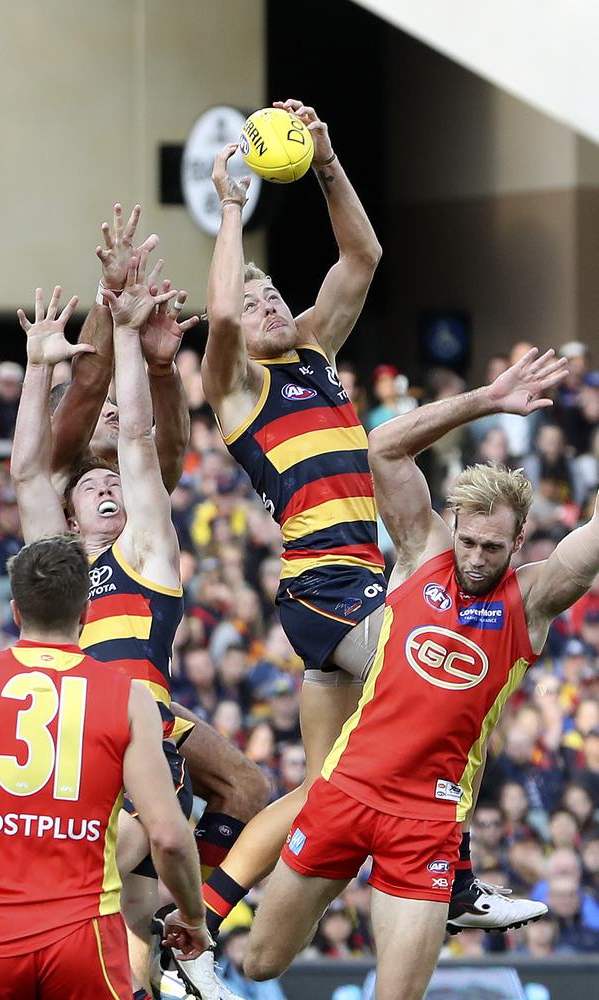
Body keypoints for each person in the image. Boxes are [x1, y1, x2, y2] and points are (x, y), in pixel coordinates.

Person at [178, 112, 549, 997]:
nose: (268, 306)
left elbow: (361, 262)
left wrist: (331, 162)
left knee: (322, 787)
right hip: (326, 594)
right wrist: (231, 213)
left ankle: (200, 938)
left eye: (277, 297)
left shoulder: (314, 351)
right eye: (261, 299)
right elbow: (224, 308)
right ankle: (450, 877)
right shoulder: (236, 384)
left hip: (365, 588)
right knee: (458, 675)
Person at [238, 348, 598, 1000]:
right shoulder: (423, 549)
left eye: (493, 548)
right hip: (345, 790)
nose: (476, 557)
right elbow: (384, 448)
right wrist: (487, 398)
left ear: (518, 544)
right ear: (453, 527)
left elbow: (590, 546)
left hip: (424, 823)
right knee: (260, 962)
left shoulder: (532, 600)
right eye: (469, 541)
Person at [9, 275, 229, 999]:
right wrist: (40, 367)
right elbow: (24, 472)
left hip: (137, 755)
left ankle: (195, 943)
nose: (107, 489)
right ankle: (186, 956)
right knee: (126, 930)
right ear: (68, 521)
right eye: (89, 489)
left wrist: (130, 337)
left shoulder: (148, 555)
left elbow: (135, 437)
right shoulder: (60, 571)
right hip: (72, 756)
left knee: (82, 877)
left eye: (114, 488)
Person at [49, 204, 269, 906]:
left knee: (246, 786)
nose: (115, 407)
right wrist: (110, 311)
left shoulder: (132, 492)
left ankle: (187, 922)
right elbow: (84, 388)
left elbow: (165, 453)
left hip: (144, 690)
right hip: (79, 691)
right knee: (131, 840)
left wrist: (164, 371)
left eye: (124, 400)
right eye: (108, 403)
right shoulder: (63, 473)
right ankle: (125, 917)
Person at [0, 534, 209, 999]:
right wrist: (193, 916)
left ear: (15, 610)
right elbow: (168, 836)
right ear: (85, 614)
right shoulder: (128, 697)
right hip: (83, 939)